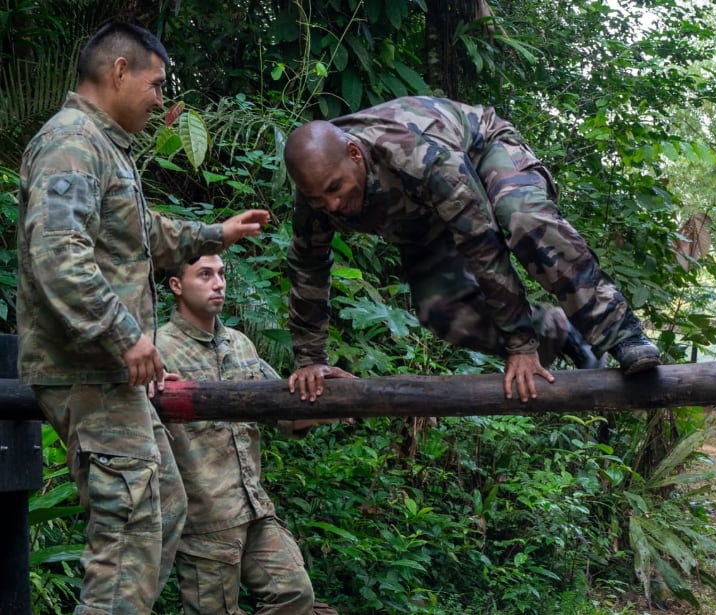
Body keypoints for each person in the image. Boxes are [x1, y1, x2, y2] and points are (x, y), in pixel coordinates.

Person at [16, 22, 270, 614]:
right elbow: (58, 256)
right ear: (119, 71)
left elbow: (142, 234)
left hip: (111, 376)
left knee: (163, 511)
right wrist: (126, 335)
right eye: (156, 85)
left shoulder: (104, 148)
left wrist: (218, 233)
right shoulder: (71, 143)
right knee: (128, 535)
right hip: (91, 371)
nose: (162, 100)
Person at [283, 96, 661, 404]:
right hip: (421, 218)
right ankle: (557, 331)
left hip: (482, 154)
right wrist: (310, 360)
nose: (331, 205)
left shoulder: (419, 155)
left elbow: (483, 246)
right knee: (442, 311)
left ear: (354, 154)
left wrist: (520, 346)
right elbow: (308, 268)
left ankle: (622, 334)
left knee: (523, 219)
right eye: (318, 198)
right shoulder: (315, 196)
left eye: (335, 189)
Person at [157, 254, 340, 614]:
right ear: (176, 286)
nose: (219, 283)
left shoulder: (240, 345)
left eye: (222, 274)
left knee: (294, 594)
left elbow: (284, 416)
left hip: (253, 507)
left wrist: (329, 404)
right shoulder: (158, 350)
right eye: (205, 274)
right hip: (204, 515)